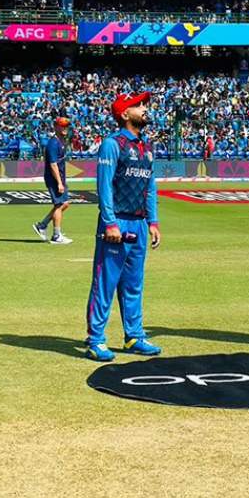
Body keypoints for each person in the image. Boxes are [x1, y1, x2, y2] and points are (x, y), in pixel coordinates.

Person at [83, 91, 162, 362]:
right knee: (105, 283)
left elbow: (150, 187)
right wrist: (110, 223)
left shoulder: (146, 147)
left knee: (133, 284)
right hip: (117, 223)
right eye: (138, 105)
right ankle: (95, 340)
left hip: (139, 224)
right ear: (124, 113)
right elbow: (103, 186)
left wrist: (153, 221)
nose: (144, 109)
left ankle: (134, 336)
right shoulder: (112, 144)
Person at [33, 116, 73, 244]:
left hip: (60, 177)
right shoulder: (53, 143)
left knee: (64, 203)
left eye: (66, 125)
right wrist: (59, 182)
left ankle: (42, 225)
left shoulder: (61, 141)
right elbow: (53, 164)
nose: (65, 128)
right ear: (56, 127)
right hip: (54, 179)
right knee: (59, 204)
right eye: (62, 125)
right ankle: (56, 235)